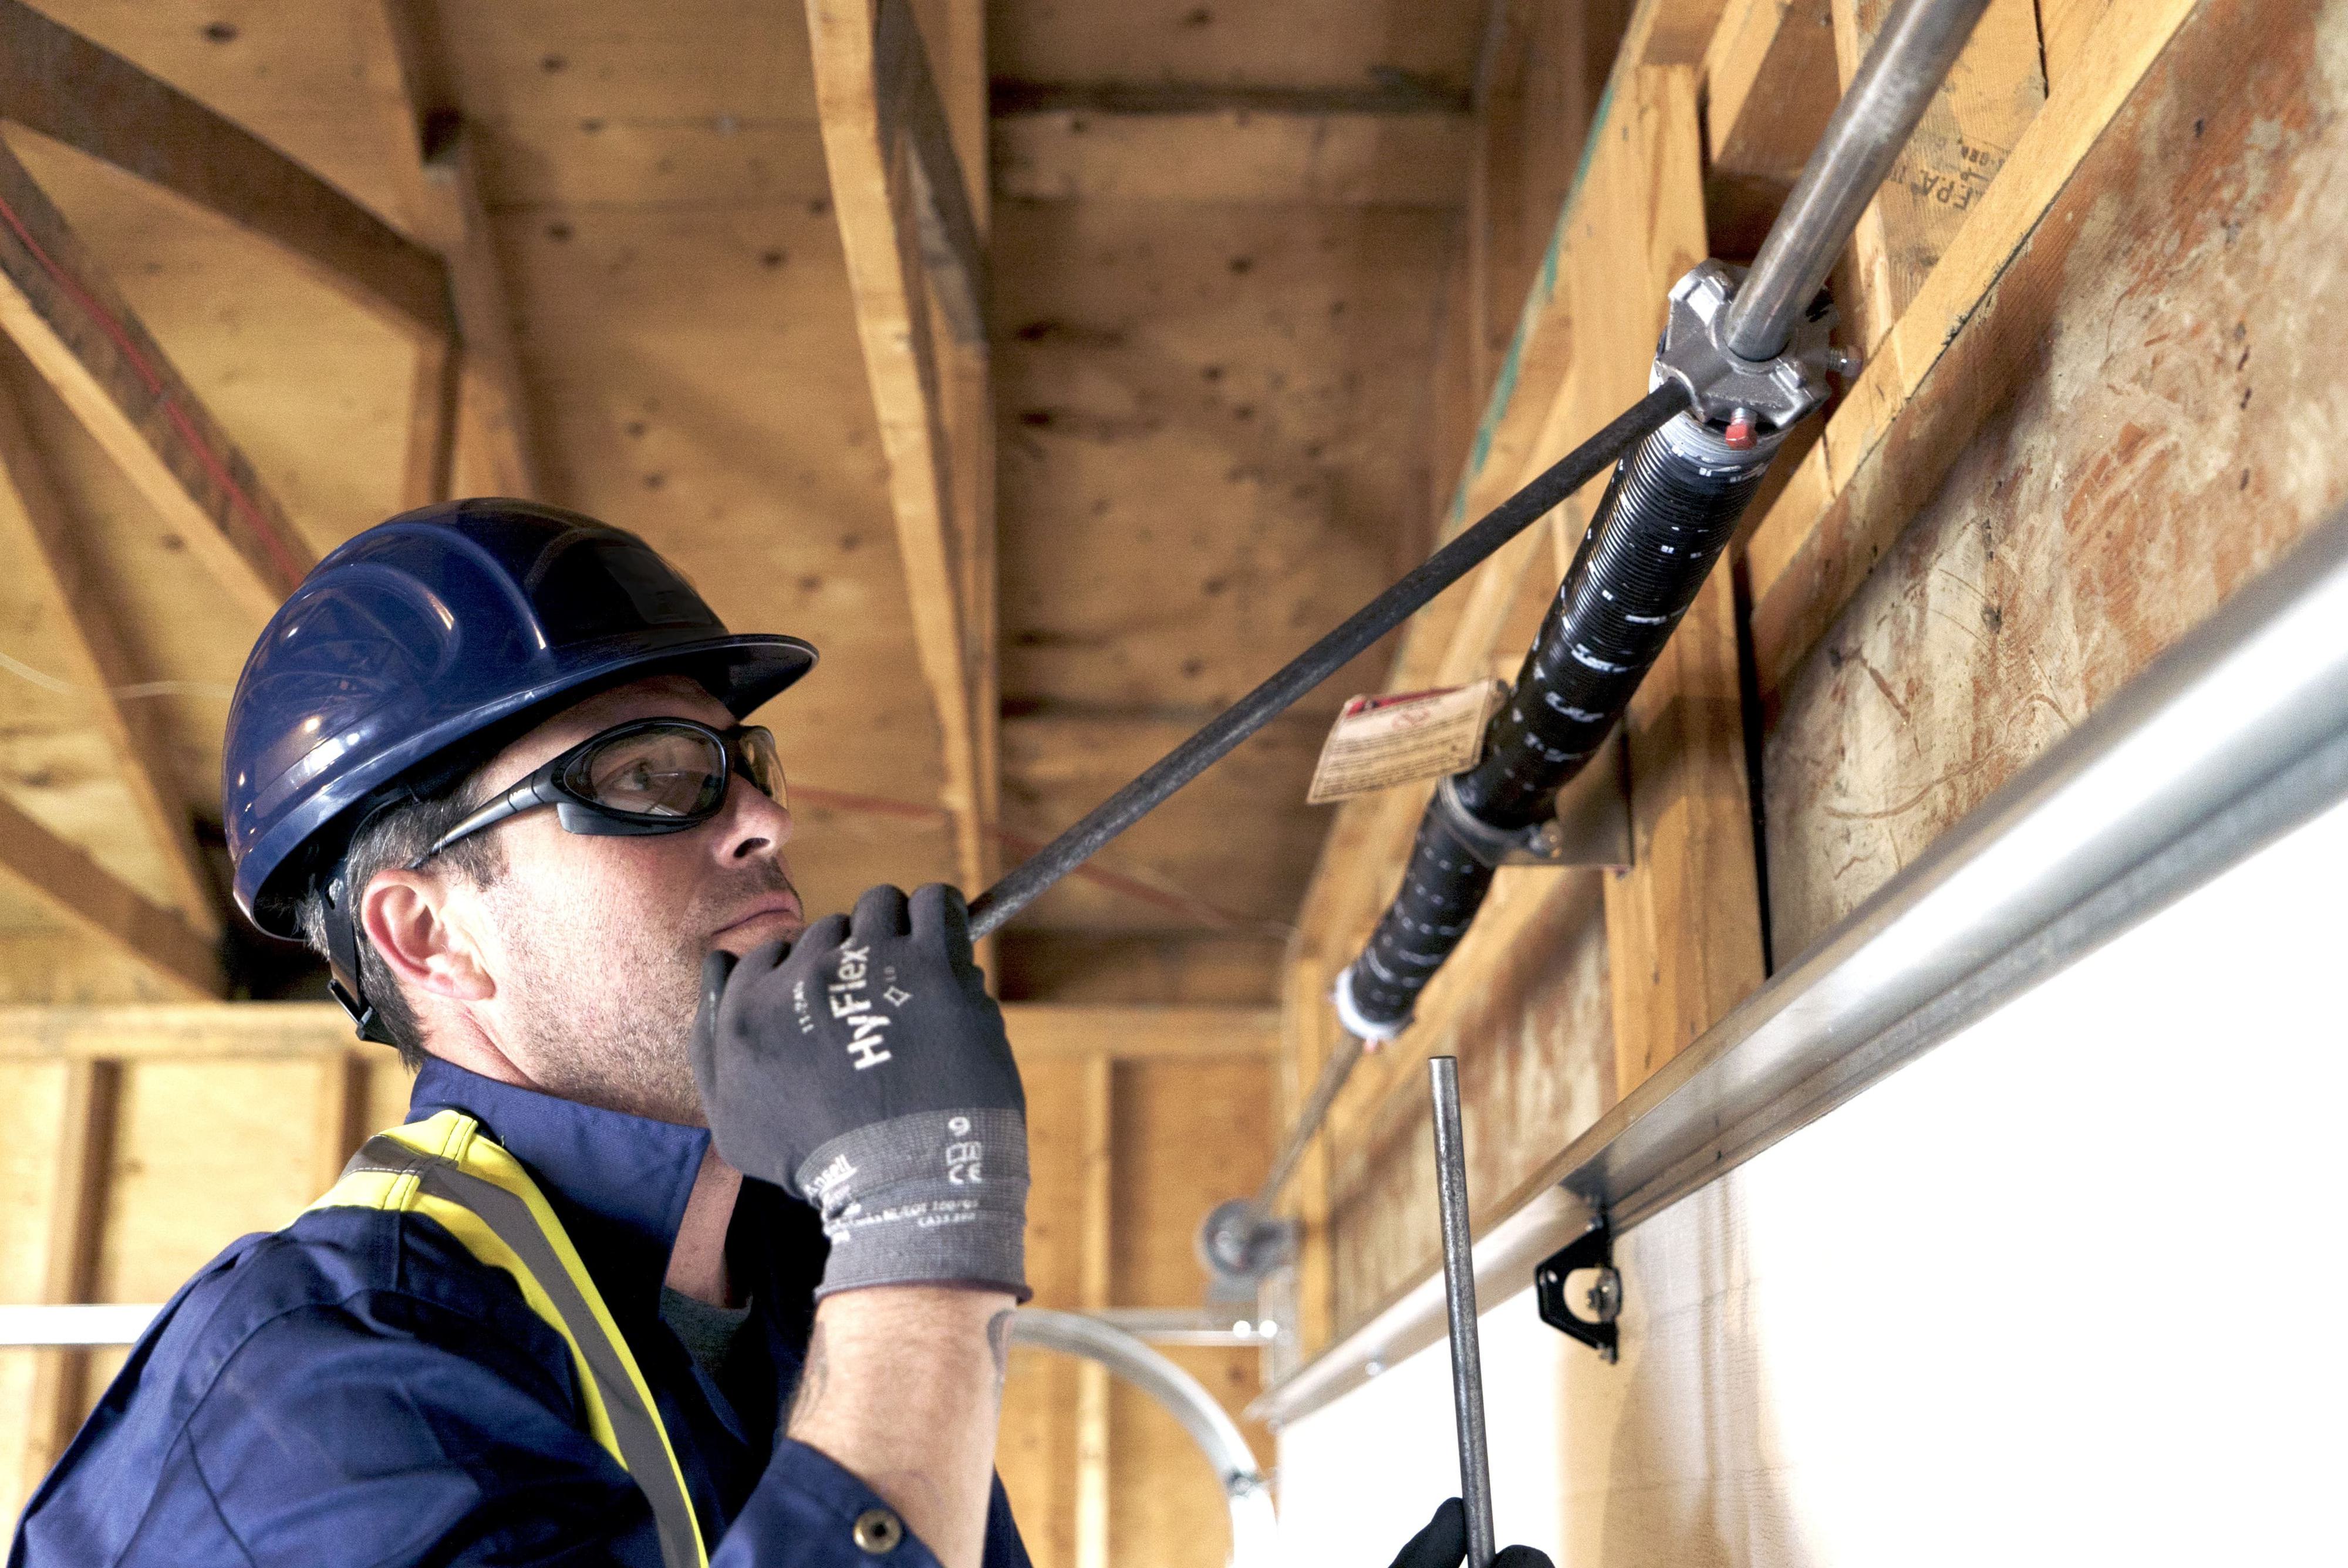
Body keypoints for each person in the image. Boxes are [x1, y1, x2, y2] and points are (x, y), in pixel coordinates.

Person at [8, 499, 1552, 1568]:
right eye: (650, 772)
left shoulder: (796, 1307)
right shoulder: (311, 1385)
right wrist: (928, 1246)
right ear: (430, 931)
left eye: (738, 760)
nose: (762, 816)